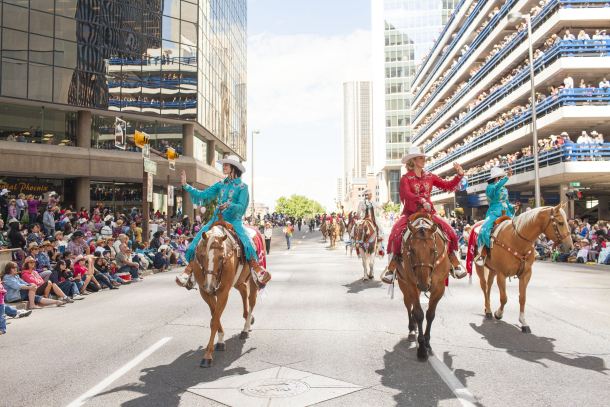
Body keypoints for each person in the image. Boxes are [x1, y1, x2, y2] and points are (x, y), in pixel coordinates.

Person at [175, 155, 271, 288]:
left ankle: (256, 269)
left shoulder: (243, 187)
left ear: (234, 168)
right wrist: (186, 186)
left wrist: (228, 205)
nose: (223, 167)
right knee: (196, 241)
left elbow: (241, 207)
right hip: (216, 219)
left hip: (234, 221)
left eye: (226, 164)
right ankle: (189, 272)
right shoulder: (221, 184)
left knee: (248, 243)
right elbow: (203, 195)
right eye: (224, 164)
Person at [384, 146, 467, 282]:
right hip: (410, 213)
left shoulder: (430, 176)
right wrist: (421, 200)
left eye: (424, 157)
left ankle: (455, 263)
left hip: (429, 213)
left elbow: (446, 185)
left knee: (451, 232)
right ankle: (391, 267)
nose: (424, 160)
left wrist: (459, 175)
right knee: (394, 234)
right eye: (421, 158)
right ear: (413, 160)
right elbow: (406, 194)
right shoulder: (405, 178)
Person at [475, 166, 520, 265]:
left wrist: (513, 207)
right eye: (502, 177)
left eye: (504, 177)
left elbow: (507, 203)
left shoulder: (504, 189)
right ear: (497, 178)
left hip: (506, 211)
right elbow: (497, 187)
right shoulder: (490, 187)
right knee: (483, 231)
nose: (503, 178)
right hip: (494, 212)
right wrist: (507, 177)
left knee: (520, 227)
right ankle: (483, 253)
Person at [354, 189, 389, 254]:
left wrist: (387, 203)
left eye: (371, 194)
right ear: (366, 196)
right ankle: (357, 242)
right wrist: (358, 216)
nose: (371, 195)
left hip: (373, 219)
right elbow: (358, 212)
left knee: (380, 227)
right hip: (364, 219)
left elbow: (380, 206)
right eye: (370, 194)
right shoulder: (361, 202)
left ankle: (379, 241)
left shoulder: (373, 202)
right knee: (356, 228)